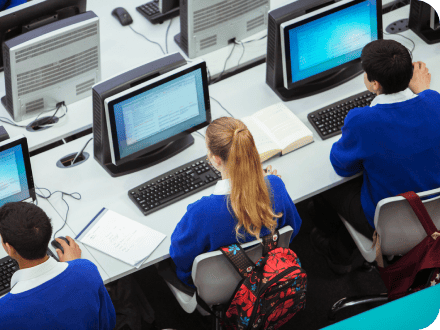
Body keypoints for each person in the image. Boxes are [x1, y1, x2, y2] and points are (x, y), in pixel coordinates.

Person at [311, 39, 440, 274]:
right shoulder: (434, 101)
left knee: (325, 188)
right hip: (435, 217)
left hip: (391, 227)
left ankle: (338, 253)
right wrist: (423, 93)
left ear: (374, 84)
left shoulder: (362, 120)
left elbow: (342, 166)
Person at [166, 117, 302, 290]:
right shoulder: (276, 186)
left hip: (217, 289)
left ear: (216, 159)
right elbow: (293, 229)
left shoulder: (202, 212)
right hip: (271, 274)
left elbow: (180, 257)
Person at [0, 202, 116, 330]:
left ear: (9, 248)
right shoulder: (86, 270)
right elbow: (108, 323)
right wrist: (73, 265)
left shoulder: (1, 314)